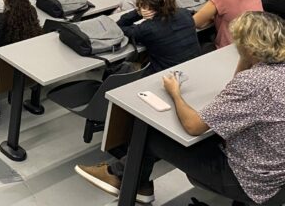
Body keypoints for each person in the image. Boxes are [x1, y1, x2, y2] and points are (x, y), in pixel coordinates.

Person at [75, 11, 285, 206]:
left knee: (149, 134)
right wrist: (247, 58)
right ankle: (134, 179)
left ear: (248, 47)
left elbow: (193, 126)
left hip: (253, 182)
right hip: (278, 174)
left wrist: (175, 94)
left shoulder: (254, 83)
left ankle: (126, 180)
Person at [116, 0, 199, 73]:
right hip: (194, 67)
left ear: (147, 6)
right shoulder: (185, 14)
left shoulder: (147, 29)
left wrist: (137, 13)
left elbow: (119, 27)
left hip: (169, 75)